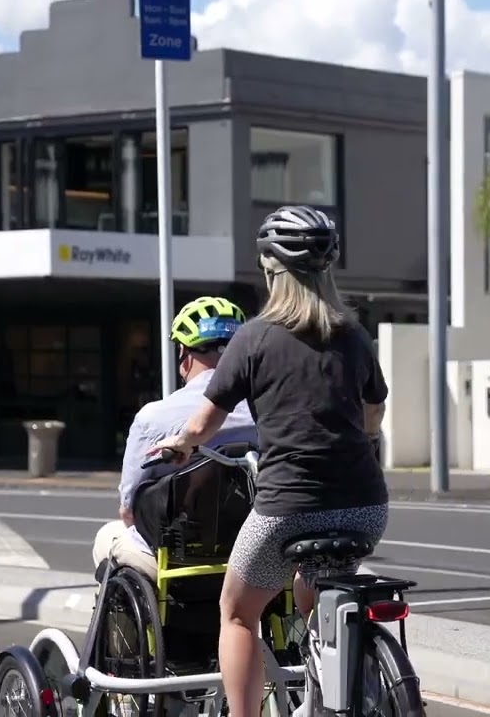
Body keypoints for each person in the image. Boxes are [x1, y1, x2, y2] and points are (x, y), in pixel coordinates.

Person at [147, 205, 389, 717]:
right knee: (317, 580)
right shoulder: (354, 335)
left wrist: (181, 445)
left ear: (271, 270)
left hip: (288, 507)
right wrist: (364, 441)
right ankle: (332, 684)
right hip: (366, 505)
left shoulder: (254, 337)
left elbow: (205, 422)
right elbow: (374, 412)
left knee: (237, 613)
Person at [91, 295, 259, 579]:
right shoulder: (268, 411)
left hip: (176, 563)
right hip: (253, 555)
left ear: (185, 354)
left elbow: (128, 511)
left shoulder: (153, 417)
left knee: (108, 536)